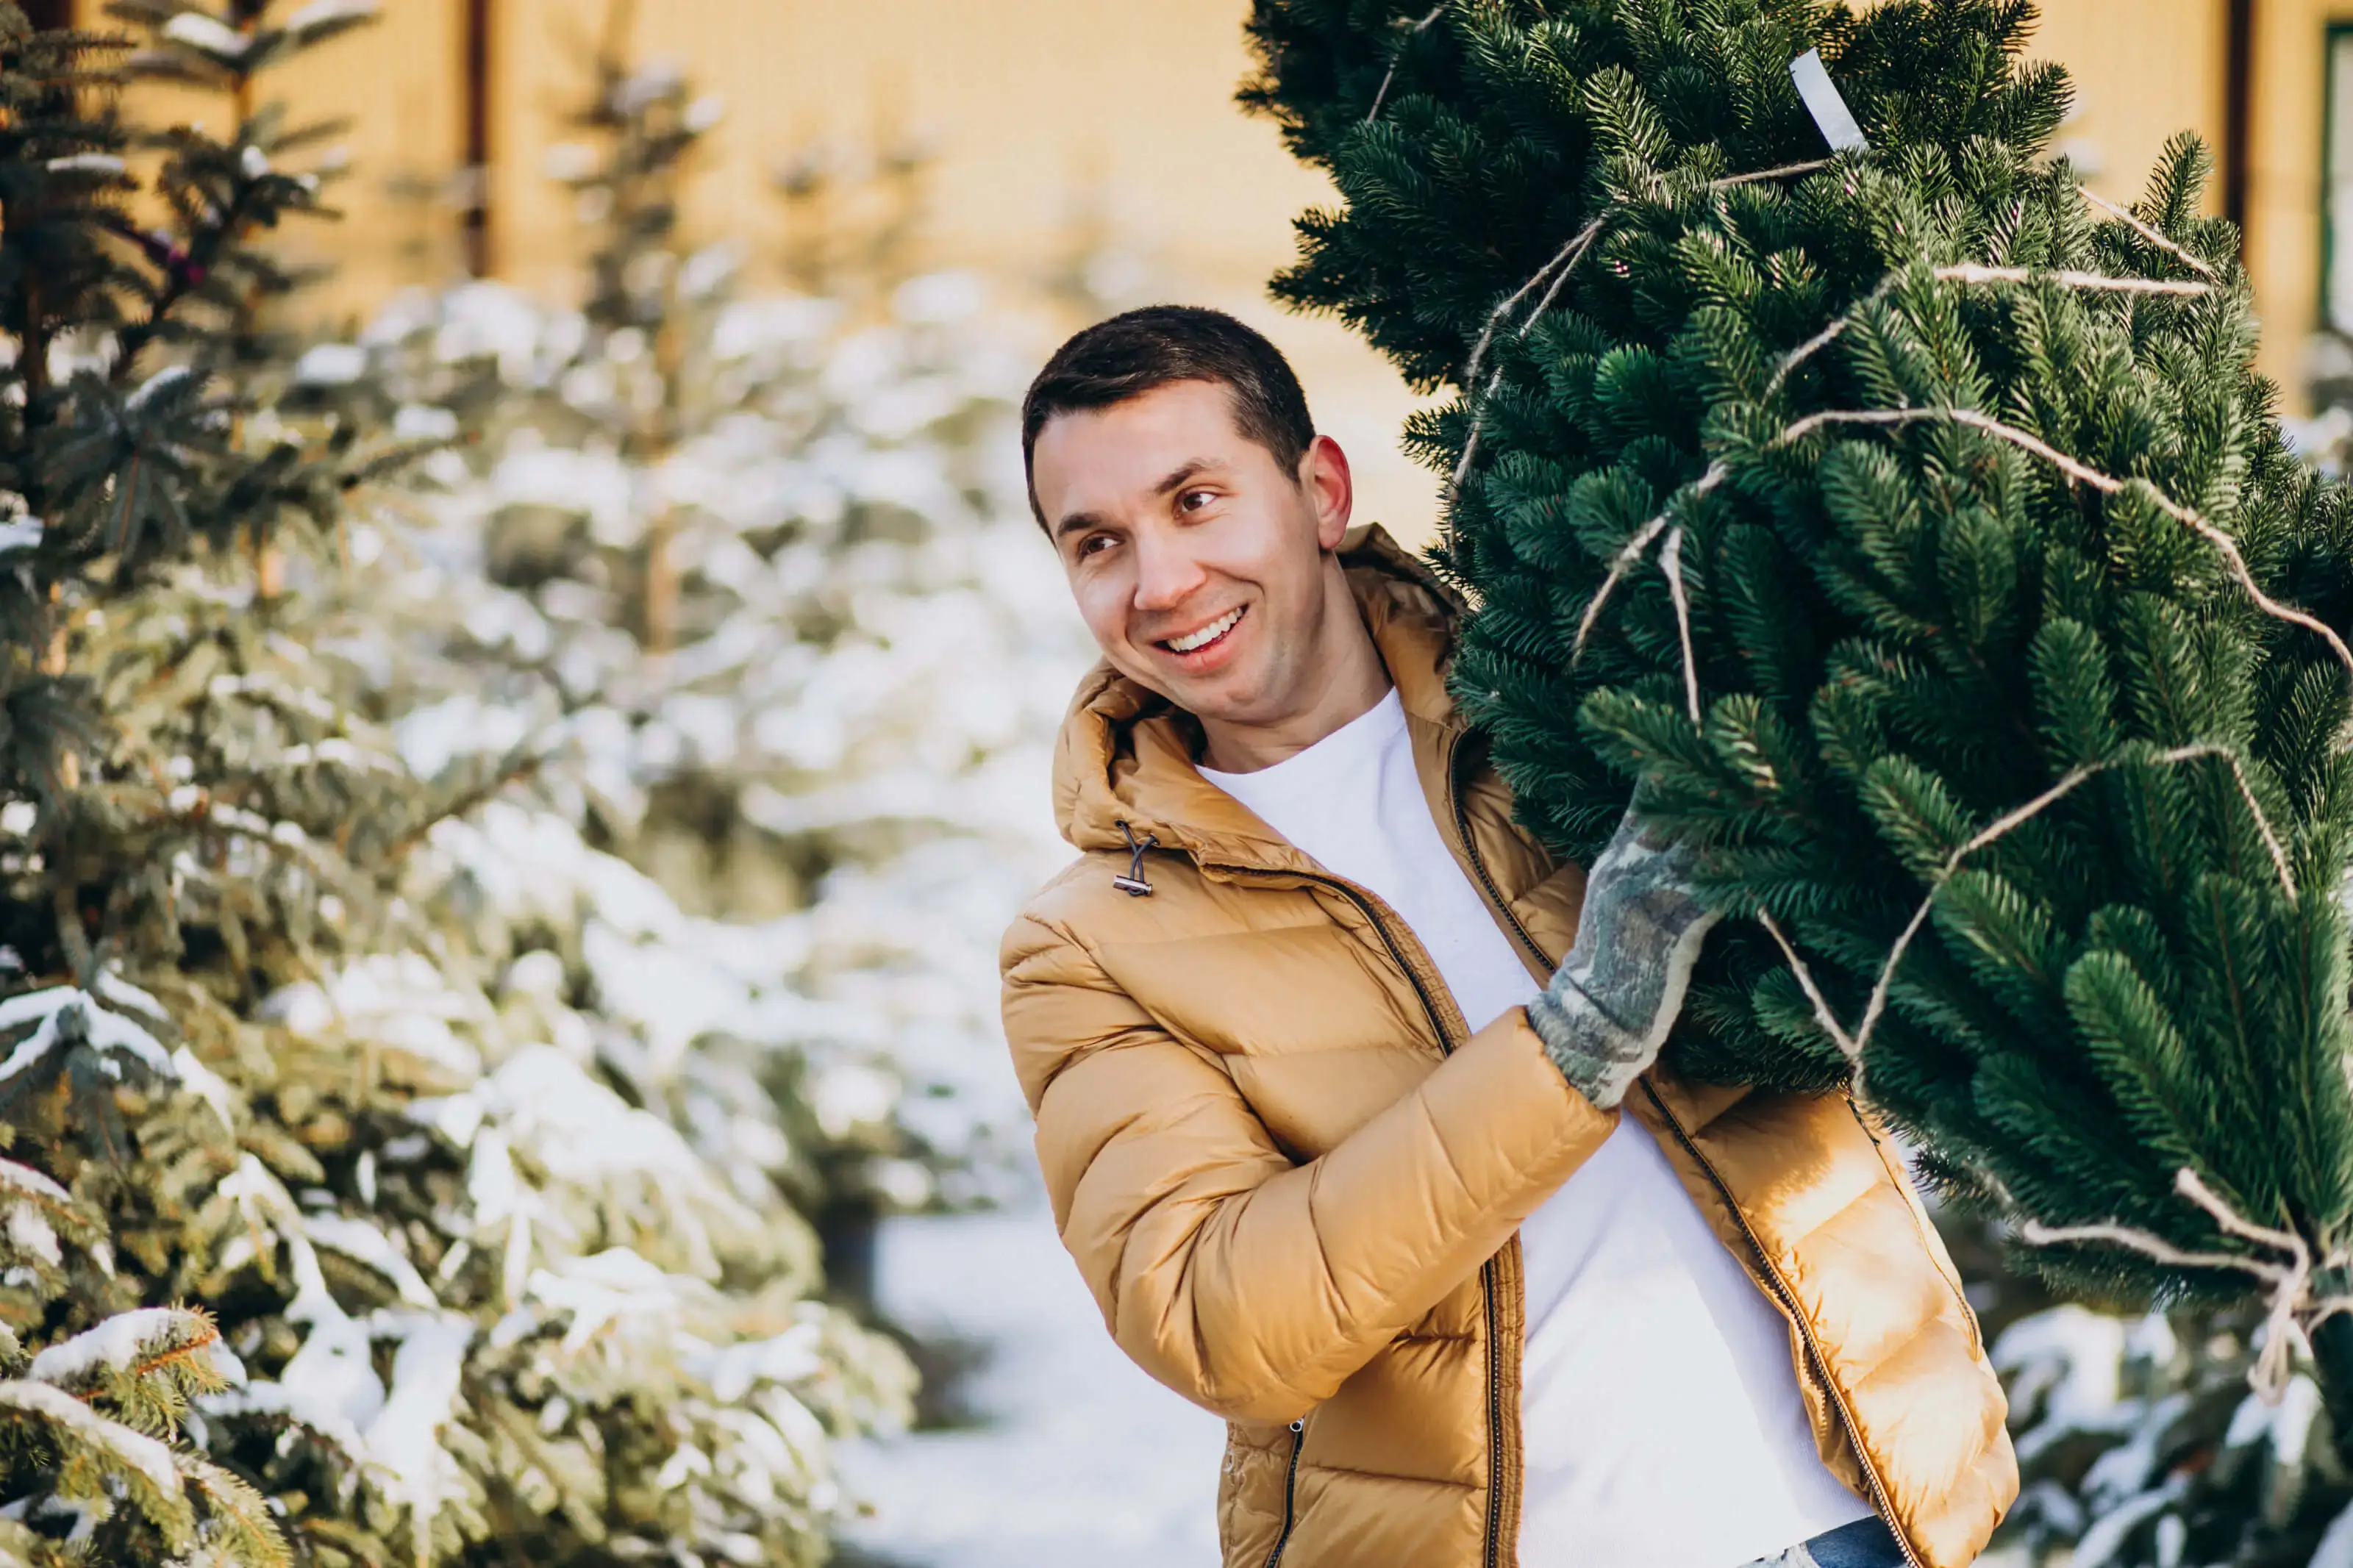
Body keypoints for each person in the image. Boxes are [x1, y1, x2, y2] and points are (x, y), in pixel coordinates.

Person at [999, 305, 2015, 1568]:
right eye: (1100, 543)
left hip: (1851, 1513)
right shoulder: (1093, 943)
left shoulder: (1581, 703)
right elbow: (1222, 1321)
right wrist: (1576, 1040)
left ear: (1319, 490)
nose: (1160, 584)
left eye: (1196, 500)